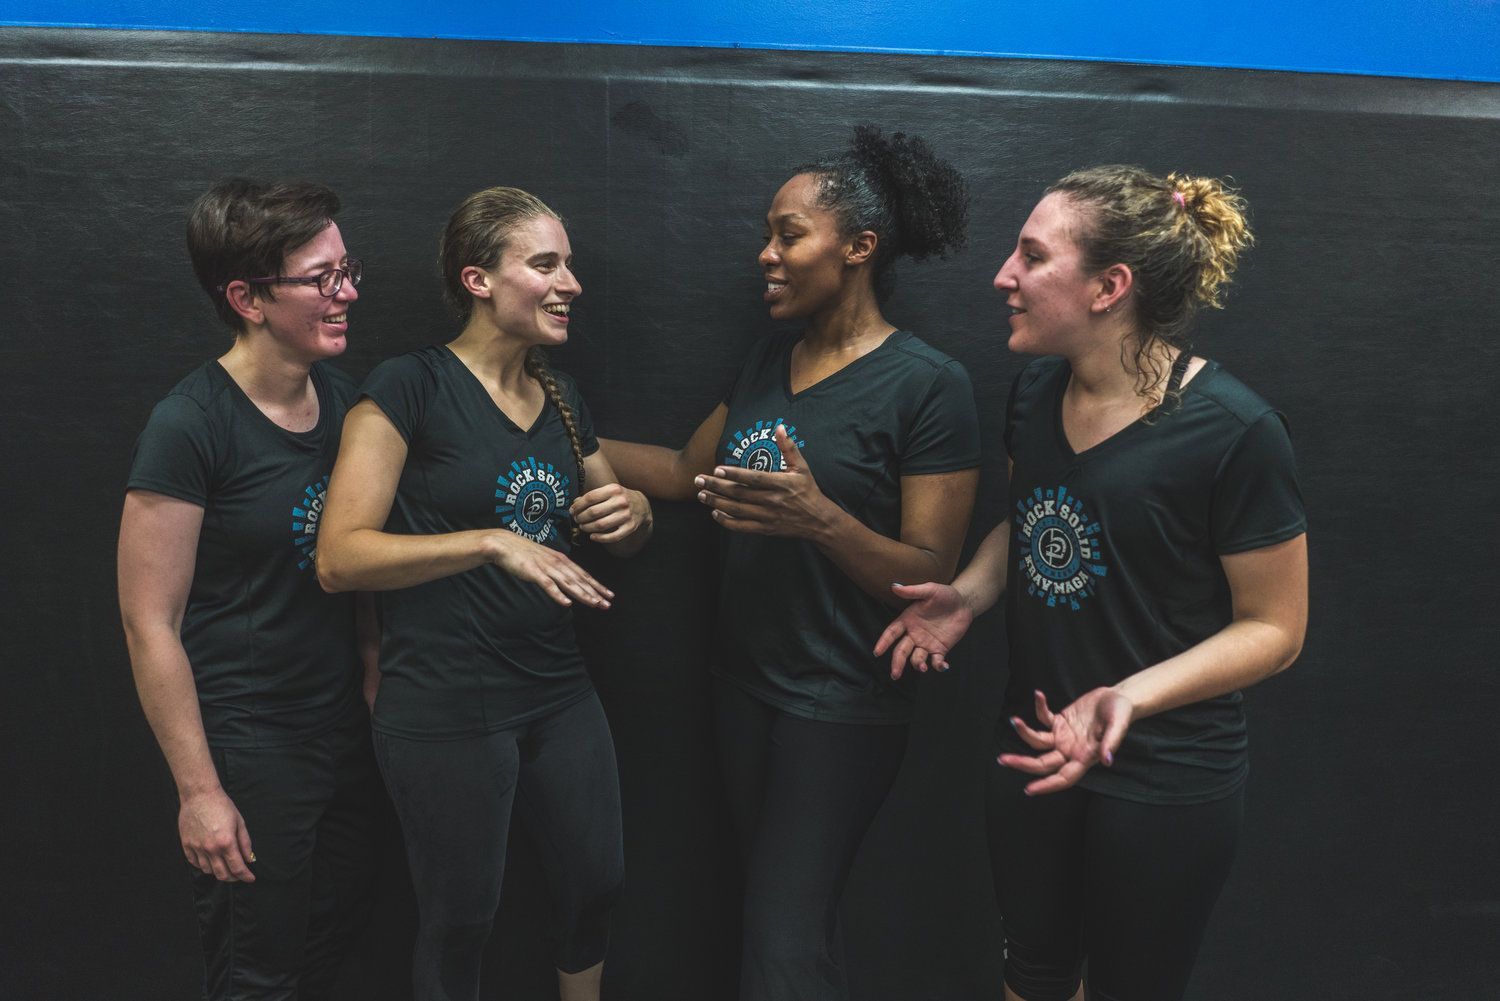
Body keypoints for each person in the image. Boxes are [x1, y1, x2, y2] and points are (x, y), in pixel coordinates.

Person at [876, 165, 1308, 1001]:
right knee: (1033, 977)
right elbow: (1036, 516)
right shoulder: (1036, 387)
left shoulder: (1237, 431)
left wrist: (1129, 696)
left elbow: (1276, 629)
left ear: (1111, 286)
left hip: (1166, 775)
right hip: (1034, 746)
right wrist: (967, 594)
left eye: (1032, 256)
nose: (1004, 275)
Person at [601, 126, 980, 1001]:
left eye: (788, 234)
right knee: (787, 931)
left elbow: (929, 576)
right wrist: (546, 424)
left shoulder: (929, 385)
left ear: (858, 247)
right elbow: (678, 471)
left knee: (782, 938)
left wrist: (817, 518)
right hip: (744, 688)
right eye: (768, 235)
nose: (766, 254)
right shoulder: (772, 355)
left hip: (841, 704)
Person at [315, 186, 652, 1001]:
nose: (570, 281)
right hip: (445, 702)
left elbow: (621, 528)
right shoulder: (408, 386)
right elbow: (339, 556)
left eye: (569, 263)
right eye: (545, 263)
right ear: (478, 280)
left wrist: (635, 514)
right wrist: (491, 541)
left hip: (557, 689)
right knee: (461, 918)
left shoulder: (563, 397)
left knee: (597, 884)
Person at [118, 179, 380, 1000]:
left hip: (343, 737)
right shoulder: (192, 423)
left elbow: (358, 563)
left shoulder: (344, 403)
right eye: (322, 278)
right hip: (253, 749)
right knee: (257, 976)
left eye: (348, 270)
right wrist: (200, 792)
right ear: (247, 298)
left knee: (331, 954)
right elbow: (148, 619)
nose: (348, 294)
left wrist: (371, 680)